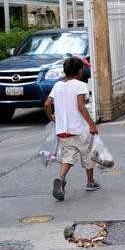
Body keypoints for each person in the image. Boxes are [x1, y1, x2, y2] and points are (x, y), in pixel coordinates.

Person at [44, 57, 100, 201]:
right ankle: (90, 182)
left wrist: (51, 117)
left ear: (64, 71)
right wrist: (92, 124)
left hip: (63, 130)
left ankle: (61, 177)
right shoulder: (80, 85)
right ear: (80, 71)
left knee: (68, 156)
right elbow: (81, 106)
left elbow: (47, 104)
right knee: (87, 153)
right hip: (79, 129)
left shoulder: (57, 85)